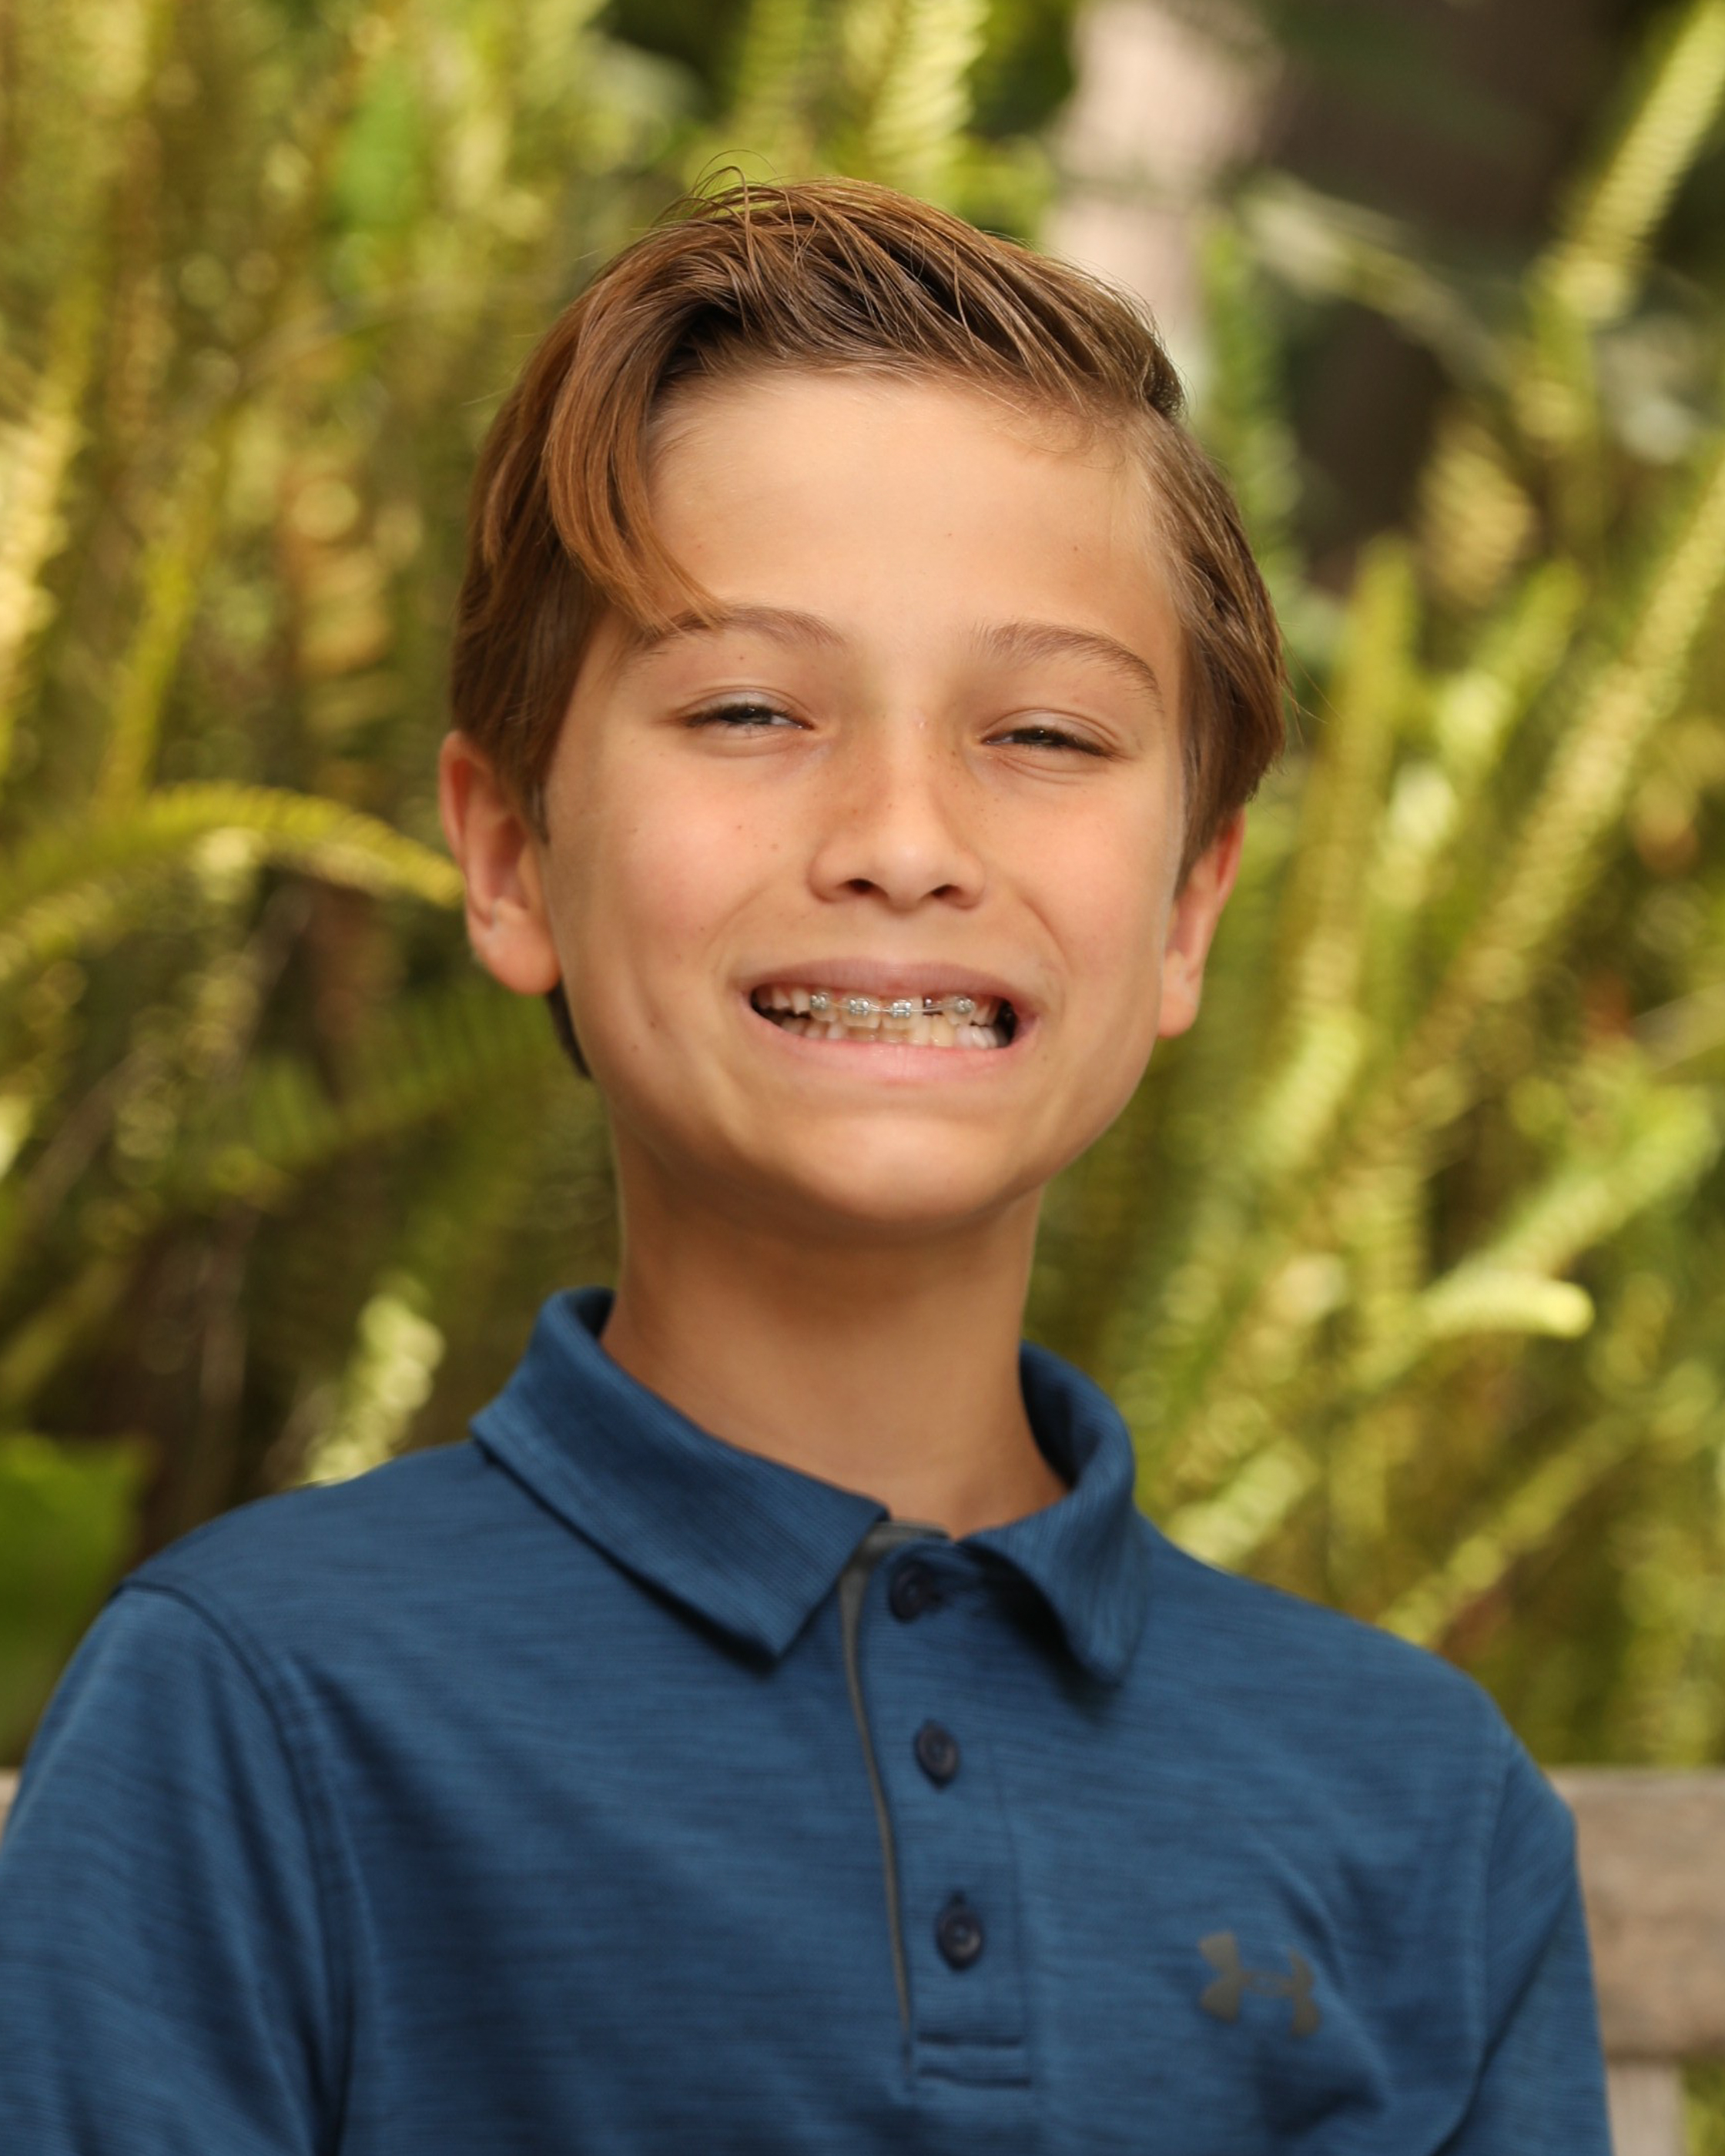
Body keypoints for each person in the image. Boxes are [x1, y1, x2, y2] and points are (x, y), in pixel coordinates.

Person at [0, 179, 1609, 2152]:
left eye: (1044, 731)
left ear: (1190, 907)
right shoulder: (253, 1708)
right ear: (509, 856)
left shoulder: (1422, 1805)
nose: (904, 840)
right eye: (750, 707)